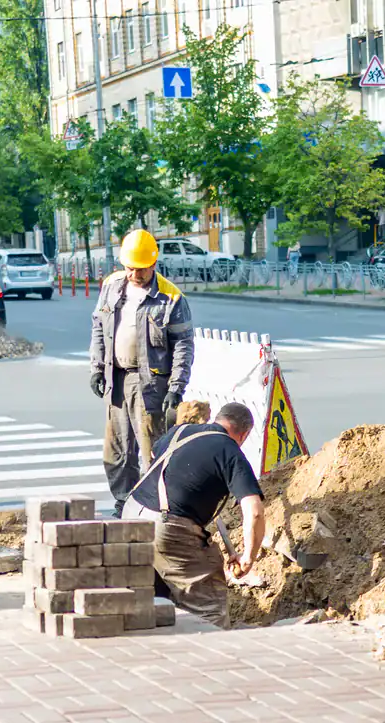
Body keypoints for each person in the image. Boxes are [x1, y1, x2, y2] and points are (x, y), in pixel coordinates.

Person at [123, 400, 266, 628]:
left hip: (131, 515)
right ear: (245, 434)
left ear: (217, 419)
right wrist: (248, 558)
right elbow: (255, 511)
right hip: (167, 527)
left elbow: (153, 451)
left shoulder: (181, 431)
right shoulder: (229, 451)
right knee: (206, 605)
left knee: (155, 598)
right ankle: (209, 649)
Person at [89, 228, 194, 512]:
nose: (135, 274)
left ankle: (151, 508)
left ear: (153, 264)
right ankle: (124, 502)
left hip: (151, 384)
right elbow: (99, 326)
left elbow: (183, 345)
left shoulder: (170, 298)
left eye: (141, 270)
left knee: (152, 452)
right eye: (130, 268)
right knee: (117, 451)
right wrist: (97, 367)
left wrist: (176, 387)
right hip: (117, 376)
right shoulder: (112, 285)